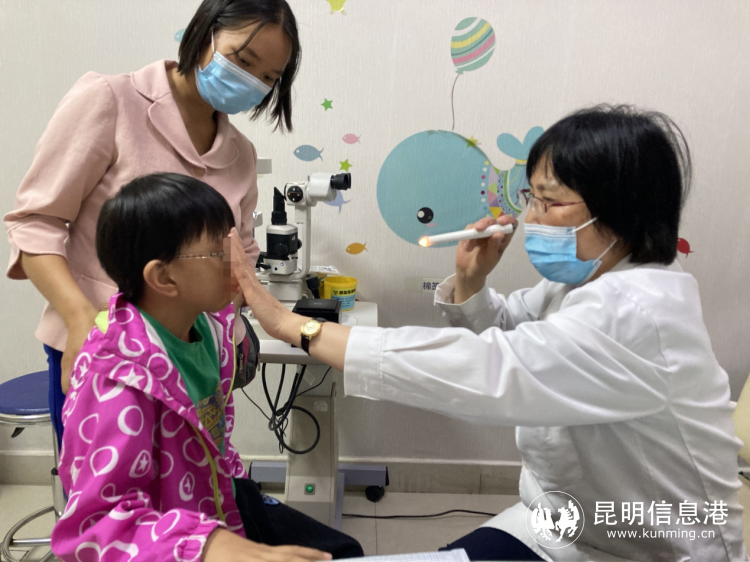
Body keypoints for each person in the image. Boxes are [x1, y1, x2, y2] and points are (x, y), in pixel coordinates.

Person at [231, 105, 746, 561]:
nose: (529, 217)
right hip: (562, 524)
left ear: (621, 210)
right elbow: (506, 332)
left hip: (654, 545)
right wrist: (472, 281)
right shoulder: (583, 282)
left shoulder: (637, 312)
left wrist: (294, 326)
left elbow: (490, 369)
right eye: (530, 197)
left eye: (548, 202)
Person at [4, 0, 301, 451]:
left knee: (197, 477)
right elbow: (36, 222)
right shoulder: (109, 100)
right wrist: (79, 318)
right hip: (104, 349)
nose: (252, 83)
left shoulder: (240, 154)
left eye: (268, 78)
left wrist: (236, 320)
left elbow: (240, 255)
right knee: (110, 489)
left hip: (197, 357)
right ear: (203, 33)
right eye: (243, 61)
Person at [53, 173, 363, 561]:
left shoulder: (207, 325)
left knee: (344, 551)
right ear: (163, 277)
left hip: (220, 493)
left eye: (234, 246)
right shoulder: (116, 381)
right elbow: (94, 527)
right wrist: (206, 545)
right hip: (167, 534)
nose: (239, 263)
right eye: (219, 253)